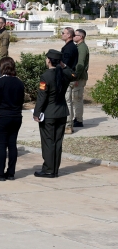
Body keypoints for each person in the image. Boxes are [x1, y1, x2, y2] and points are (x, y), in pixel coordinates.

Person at [34, 50, 74, 178]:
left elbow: (42, 96)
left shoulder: (46, 76)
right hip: (62, 113)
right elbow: (75, 75)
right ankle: (54, 169)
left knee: (48, 142)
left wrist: (36, 112)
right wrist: (64, 65)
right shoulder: (64, 74)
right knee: (57, 142)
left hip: (49, 114)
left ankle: (48, 169)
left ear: (49, 60)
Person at [0, 57, 25, 181]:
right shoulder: (19, 82)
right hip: (16, 116)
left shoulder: (0, 82)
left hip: (3, 116)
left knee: (2, 145)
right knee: (12, 145)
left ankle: (0, 172)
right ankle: (11, 172)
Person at [69, 29, 89, 128]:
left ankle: (78, 119)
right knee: (75, 98)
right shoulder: (80, 47)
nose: (73, 37)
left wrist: (76, 78)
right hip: (79, 77)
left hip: (79, 78)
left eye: (75, 35)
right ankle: (77, 118)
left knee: (77, 99)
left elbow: (80, 64)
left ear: (81, 37)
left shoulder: (82, 48)